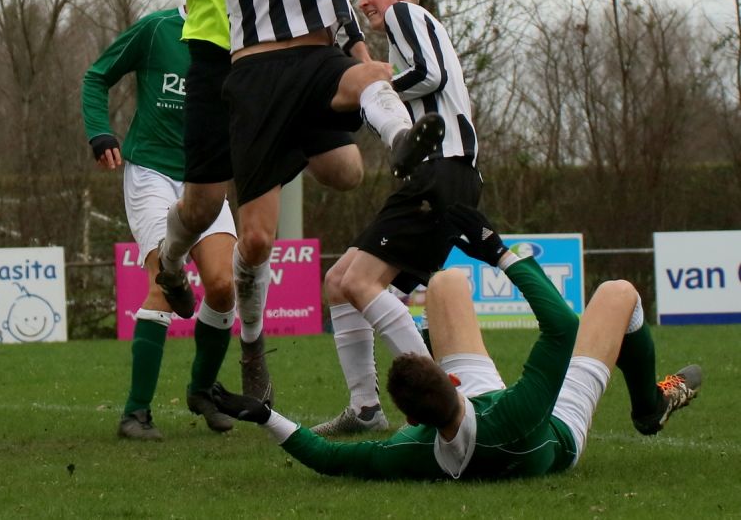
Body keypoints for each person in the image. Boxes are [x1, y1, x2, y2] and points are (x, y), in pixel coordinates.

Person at [154, 0, 444, 404]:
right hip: (258, 76)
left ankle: (402, 139)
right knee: (256, 240)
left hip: (318, 61)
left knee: (353, 149)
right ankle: (250, 341)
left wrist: (360, 53)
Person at [211, 205, 702, 480]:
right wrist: (499, 252)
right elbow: (561, 326)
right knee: (618, 294)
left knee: (445, 283)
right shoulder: (518, 414)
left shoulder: (412, 449)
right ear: (448, 378)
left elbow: (329, 457)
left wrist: (265, 414)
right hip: (554, 426)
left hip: (474, 401)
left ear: (411, 419)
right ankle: (649, 407)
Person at [312, 0, 481, 436]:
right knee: (339, 280)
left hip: (441, 172)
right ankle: (365, 408)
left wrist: (375, 84)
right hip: (446, 177)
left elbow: (432, 76)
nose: (364, 0)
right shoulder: (414, 27)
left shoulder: (407, 15)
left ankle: (445, 399)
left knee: (360, 283)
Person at [82, 2, 238, 440]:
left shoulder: (245, 32)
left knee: (224, 286)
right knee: (163, 286)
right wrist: (100, 131)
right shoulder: (157, 30)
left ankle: (202, 390)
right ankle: (136, 414)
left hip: (206, 174)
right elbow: (96, 77)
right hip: (151, 172)